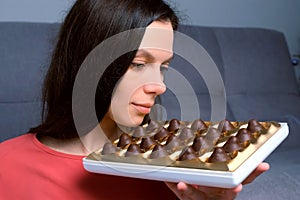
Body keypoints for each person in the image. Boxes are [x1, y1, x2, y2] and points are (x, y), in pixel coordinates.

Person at [0, 0, 269, 199]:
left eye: (163, 67)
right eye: (139, 63)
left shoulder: (177, 171)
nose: (160, 86)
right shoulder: (6, 166)